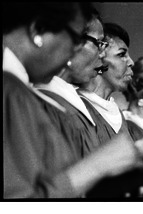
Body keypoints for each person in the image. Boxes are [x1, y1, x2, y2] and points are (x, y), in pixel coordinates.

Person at [3, 2, 143, 198]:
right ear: (38, 30)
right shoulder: (11, 92)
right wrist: (95, 167)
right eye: (75, 39)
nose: (73, 52)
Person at [35, 8, 108, 157]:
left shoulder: (75, 101)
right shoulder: (47, 102)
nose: (103, 54)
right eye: (99, 43)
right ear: (74, 41)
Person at [77, 22, 136, 146]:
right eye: (121, 54)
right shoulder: (79, 108)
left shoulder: (117, 113)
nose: (131, 62)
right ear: (99, 56)